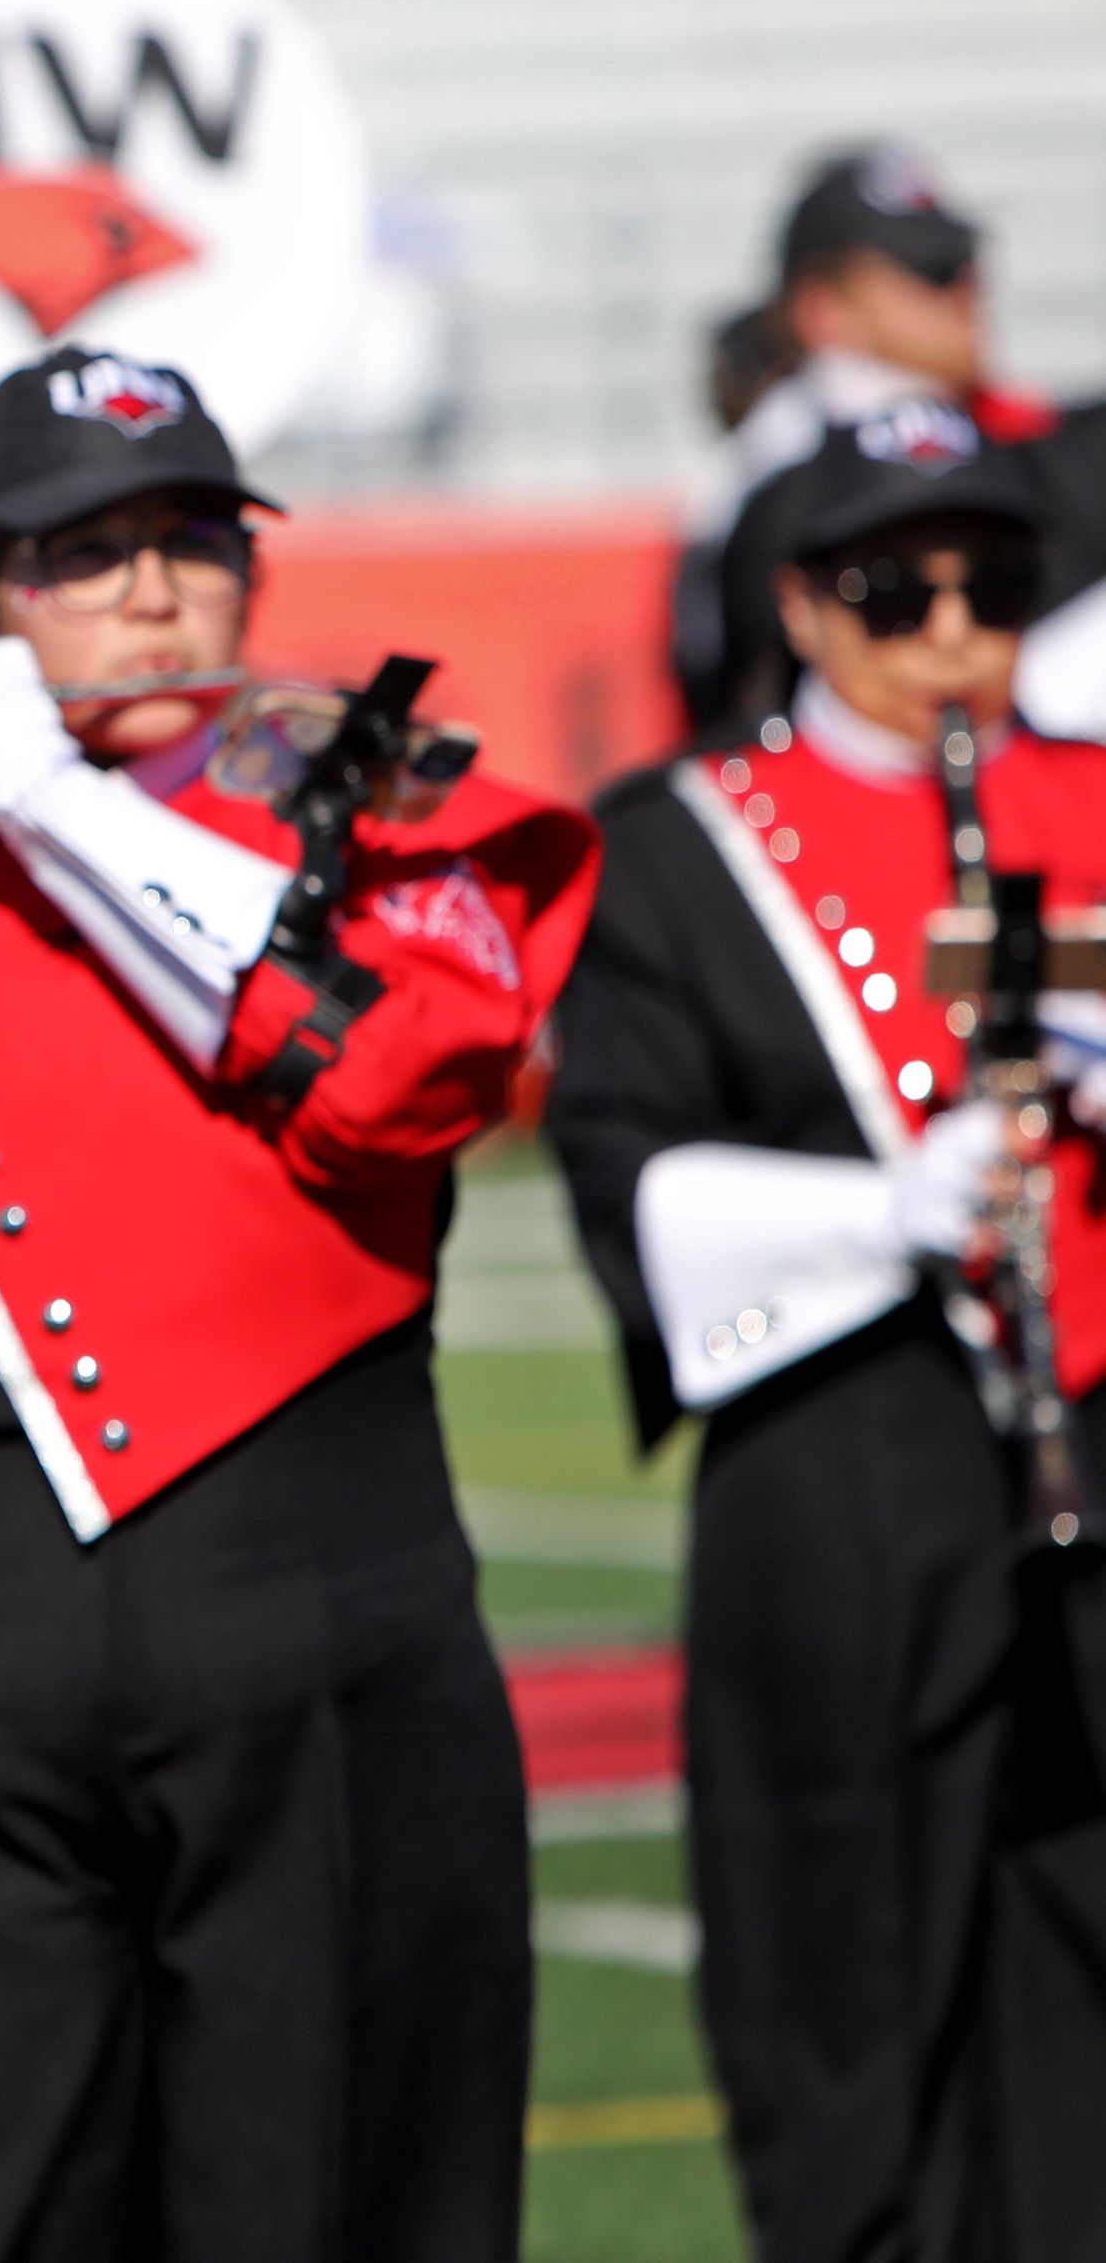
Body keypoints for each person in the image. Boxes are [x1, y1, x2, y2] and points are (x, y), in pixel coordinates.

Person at [0, 346, 597, 2263]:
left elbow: (402, 1068)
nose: (150, 588)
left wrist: (54, 795)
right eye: (81, 551)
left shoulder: (371, 800)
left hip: (314, 1641)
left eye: (190, 539)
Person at [546, 401, 1106, 2263]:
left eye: (997, 580)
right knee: (845, 2000)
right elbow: (623, 1188)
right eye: (896, 585)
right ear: (799, 599)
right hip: (844, 1469)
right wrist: (888, 1206)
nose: (953, 629)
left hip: (1090, 1450)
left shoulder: (1092, 794)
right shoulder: (679, 850)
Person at [678, 145, 1057, 728]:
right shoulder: (784, 463)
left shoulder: (1006, 425)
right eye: (930, 271)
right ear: (824, 310)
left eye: (964, 260)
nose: (968, 288)